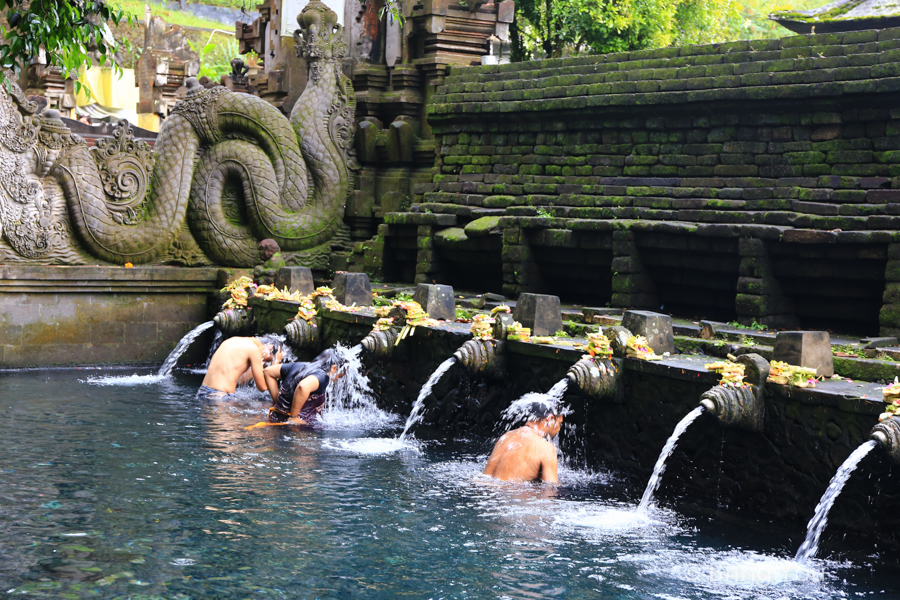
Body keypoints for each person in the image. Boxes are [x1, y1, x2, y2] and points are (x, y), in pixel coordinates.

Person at [483, 403, 564, 484]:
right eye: (560, 423)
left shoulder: (506, 437)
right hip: (509, 495)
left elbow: (488, 480)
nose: (559, 429)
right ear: (550, 419)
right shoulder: (546, 448)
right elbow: (550, 491)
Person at [261, 349, 344, 426]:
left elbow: (268, 372)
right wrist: (294, 418)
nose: (337, 380)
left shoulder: (300, 365)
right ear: (334, 368)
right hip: (297, 428)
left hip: (276, 418)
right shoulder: (323, 376)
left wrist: (278, 403)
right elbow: (303, 386)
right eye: (340, 376)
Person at [198, 336, 282, 400]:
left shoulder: (232, 340)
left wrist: (261, 366)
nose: (265, 362)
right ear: (270, 347)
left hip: (203, 391)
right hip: (220, 397)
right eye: (268, 360)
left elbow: (241, 380)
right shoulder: (254, 349)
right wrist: (276, 362)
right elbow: (262, 387)